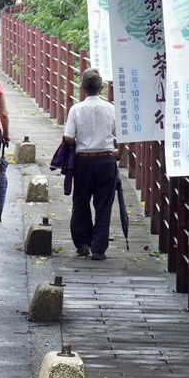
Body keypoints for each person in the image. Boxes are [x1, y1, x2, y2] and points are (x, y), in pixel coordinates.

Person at [62, 68, 119, 261]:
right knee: (103, 205)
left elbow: (68, 137)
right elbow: (121, 134)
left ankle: (82, 243)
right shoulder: (111, 109)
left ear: (83, 89)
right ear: (102, 88)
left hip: (83, 162)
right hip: (106, 160)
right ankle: (99, 249)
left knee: (81, 201)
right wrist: (120, 151)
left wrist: (79, 141)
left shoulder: (76, 109)